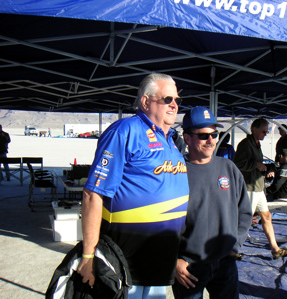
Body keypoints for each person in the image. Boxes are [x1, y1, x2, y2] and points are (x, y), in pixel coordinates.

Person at [77, 73, 190, 299]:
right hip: (128, 262)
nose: (174, 105)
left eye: (177, 100)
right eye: (167, 99)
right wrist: (88, 257)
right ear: (146, 101)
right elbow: (93, 194)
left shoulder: (172, 139)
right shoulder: (125, 131)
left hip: (160, 261)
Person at [173, 106, 252, 299]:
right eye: (203, 135)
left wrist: (236, 244)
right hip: (189, 267)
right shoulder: (175, 172)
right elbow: (160, 221)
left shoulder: (228, 168)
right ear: (188, 138)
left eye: (215, 134)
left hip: (226, 263)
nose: (211, 140)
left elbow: (244, 210)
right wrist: (173, 261)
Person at [233, 118, 287, 259]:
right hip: (249, 188)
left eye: (266, 131)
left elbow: (255, 164)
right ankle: (232, 249)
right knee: (244, 220)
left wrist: (265, 169)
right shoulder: (246, 145)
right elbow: (237, 163)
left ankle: (275, 248)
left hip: (258, 187)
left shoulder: (256, 144)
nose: (266, 134)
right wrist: (256, 165)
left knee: (266, 216)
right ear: (254, 129)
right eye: (264, 131)